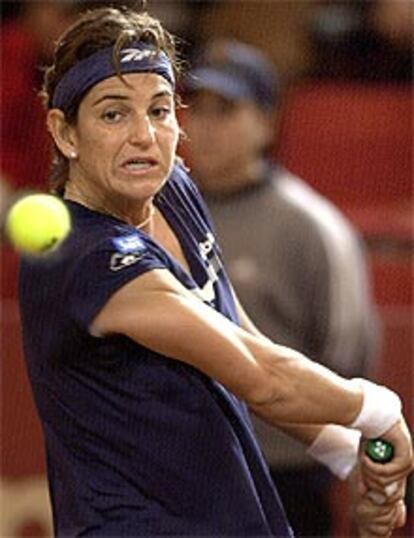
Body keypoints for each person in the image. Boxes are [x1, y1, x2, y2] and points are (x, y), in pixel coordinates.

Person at [17, 6, 412, 537]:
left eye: (159, 110)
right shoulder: (81, 256)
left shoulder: (172, 188)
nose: (144, 136)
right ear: (65, 133)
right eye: (114, 114)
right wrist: (376, 409)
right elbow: (260, 374)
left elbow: (238, 332)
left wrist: (343, 453)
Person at [180, 40, 382, 536]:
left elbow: (348, 353)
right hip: (187, 464)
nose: (205, 127)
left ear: (267, 123)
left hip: (286, 471)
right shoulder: (164, 215)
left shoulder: (311, 225)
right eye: (196, 109)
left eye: (226, 110)